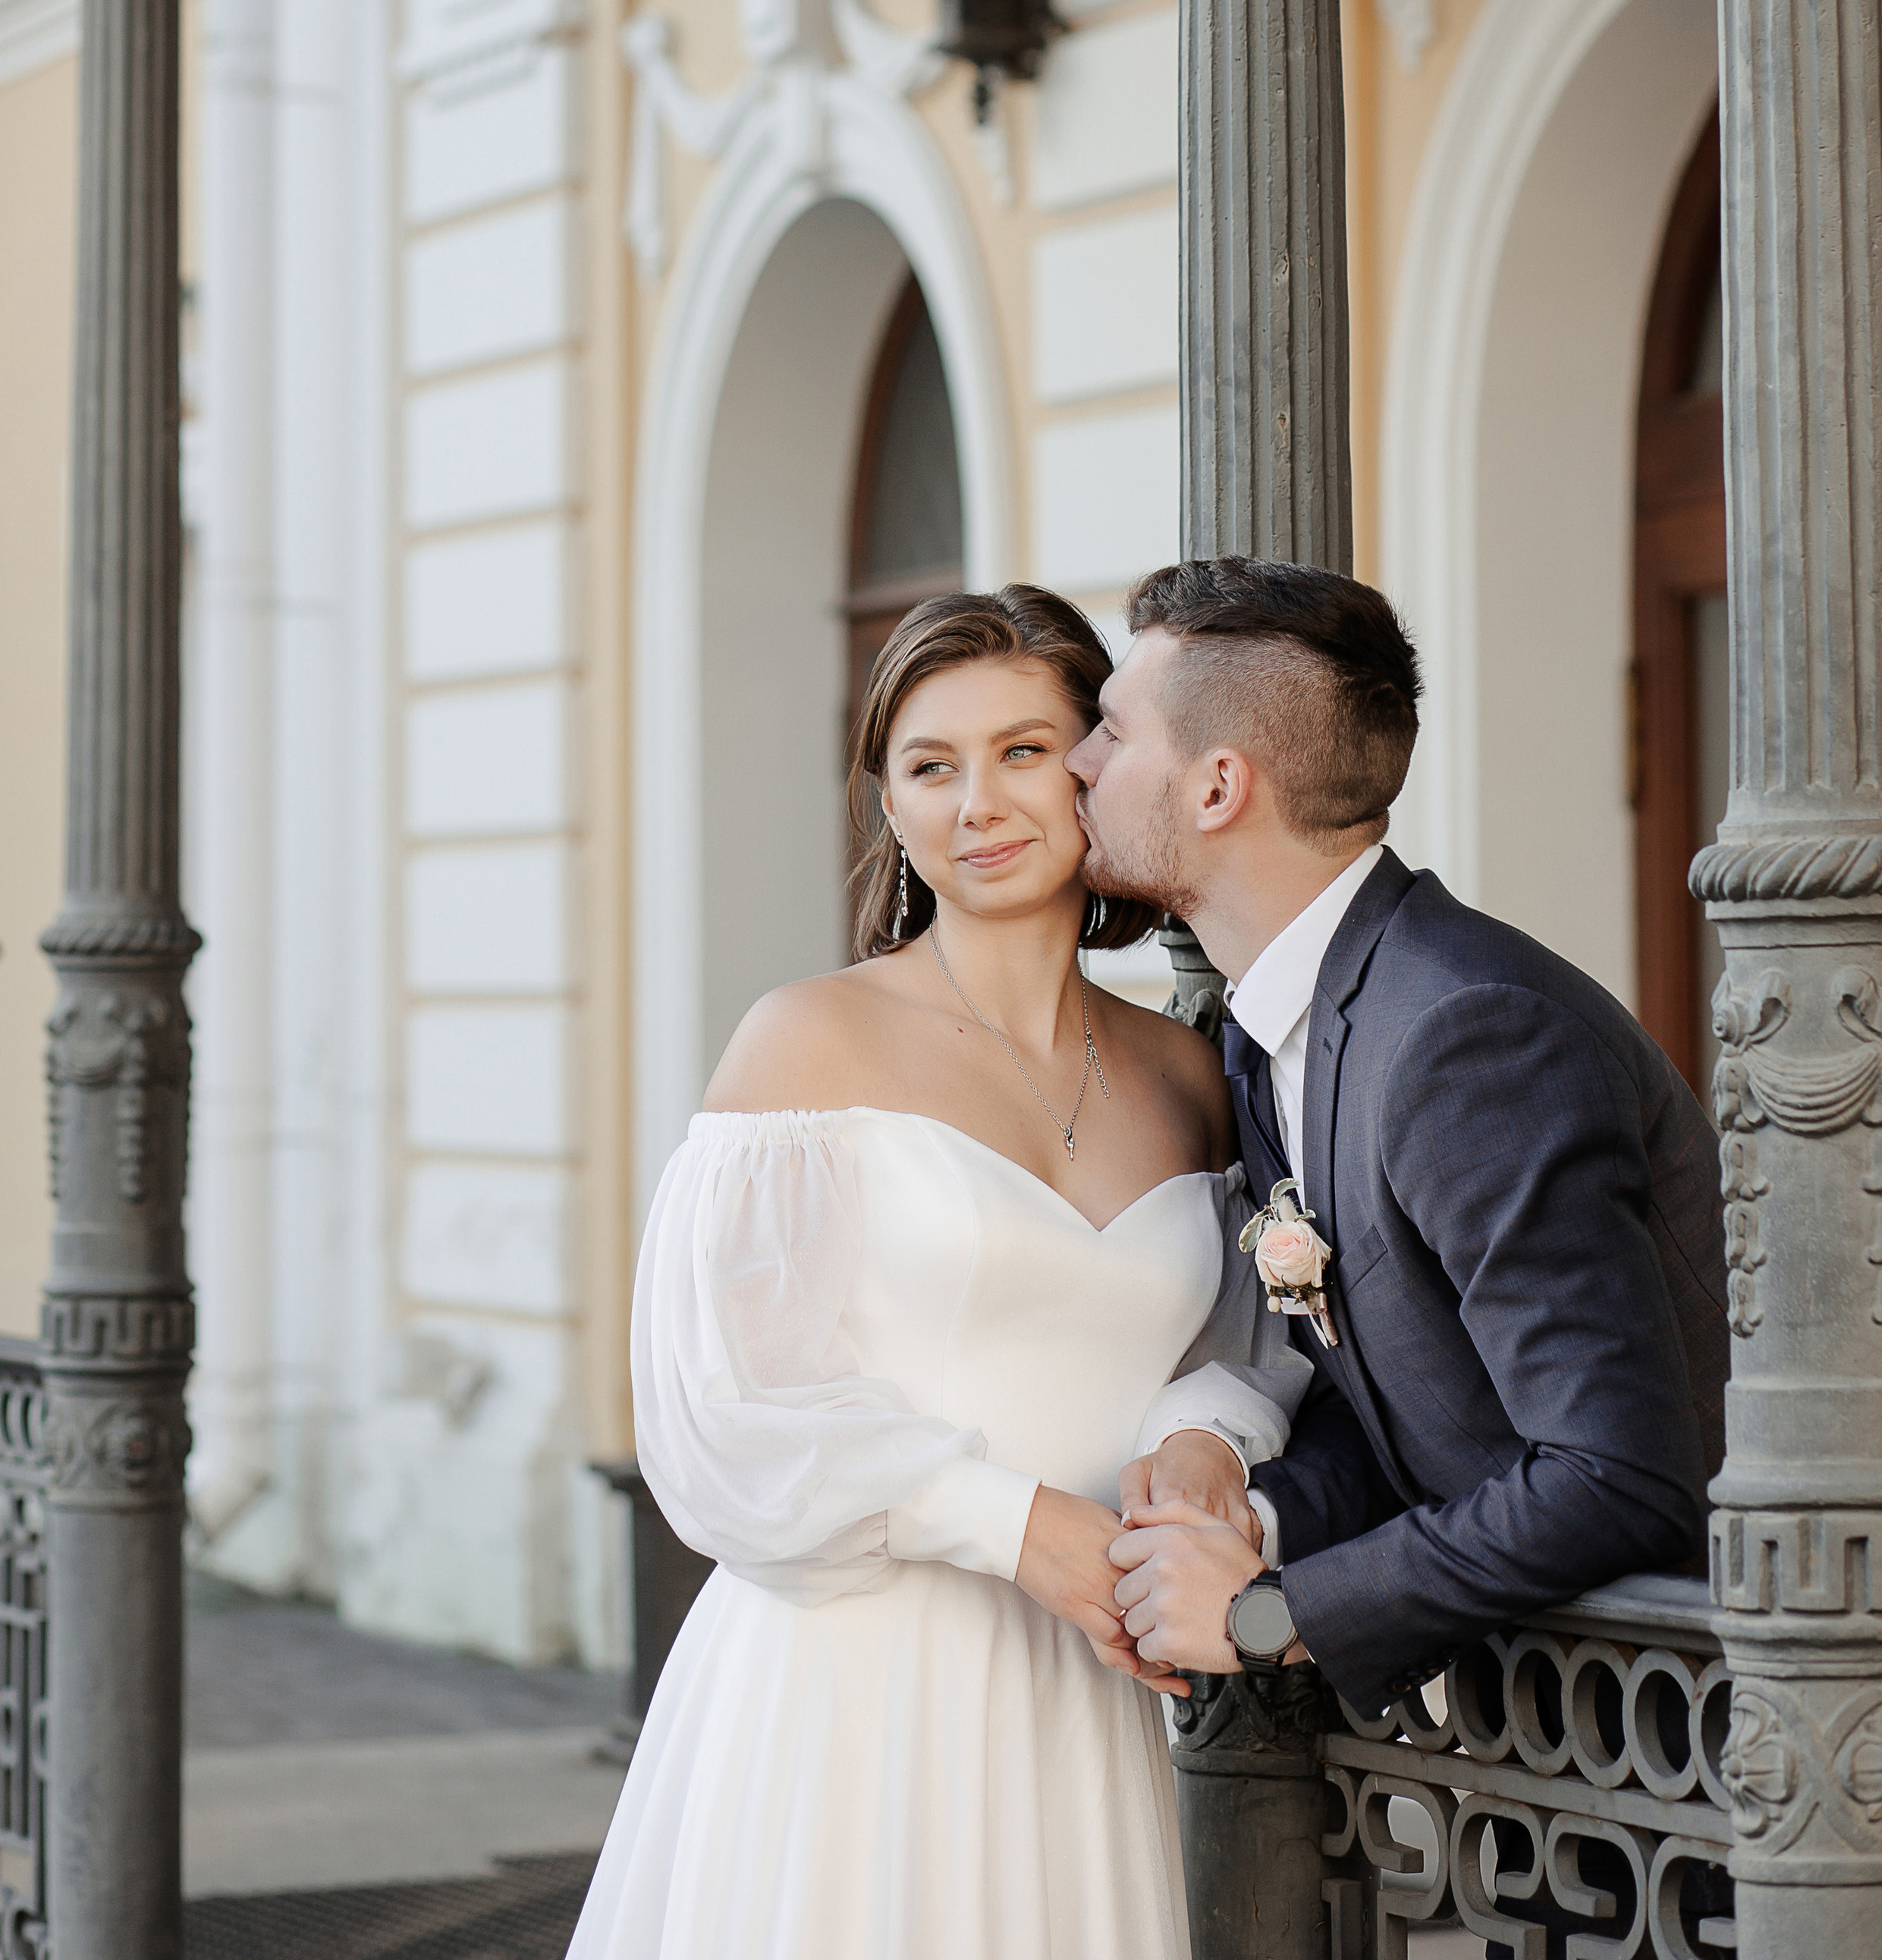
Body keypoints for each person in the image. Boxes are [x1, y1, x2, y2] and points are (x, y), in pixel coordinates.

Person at [567, 585, 1311, 1960]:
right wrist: (1011, 1521)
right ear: (890, 807)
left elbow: (1234, 1338)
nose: (981, 801)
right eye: (931, 765)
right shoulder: (805, 1044)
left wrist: (1204, 1439)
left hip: (1083, 1690)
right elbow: (718, 1417)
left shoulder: (1187, 1072)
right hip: (845, 1677)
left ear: (1095, 765)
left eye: (1025, 751)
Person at [1066, 557, 1727, 1742]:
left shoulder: (1466, 1035)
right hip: (1549, 1745)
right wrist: (1254, 1520)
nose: (1080, 764)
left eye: (1112, 732)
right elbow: (1420, 1400)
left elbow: (1613, 1474)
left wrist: (1274, 1614)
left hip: (1693, 1755)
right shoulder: (1285, 1020)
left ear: (1219, 786)